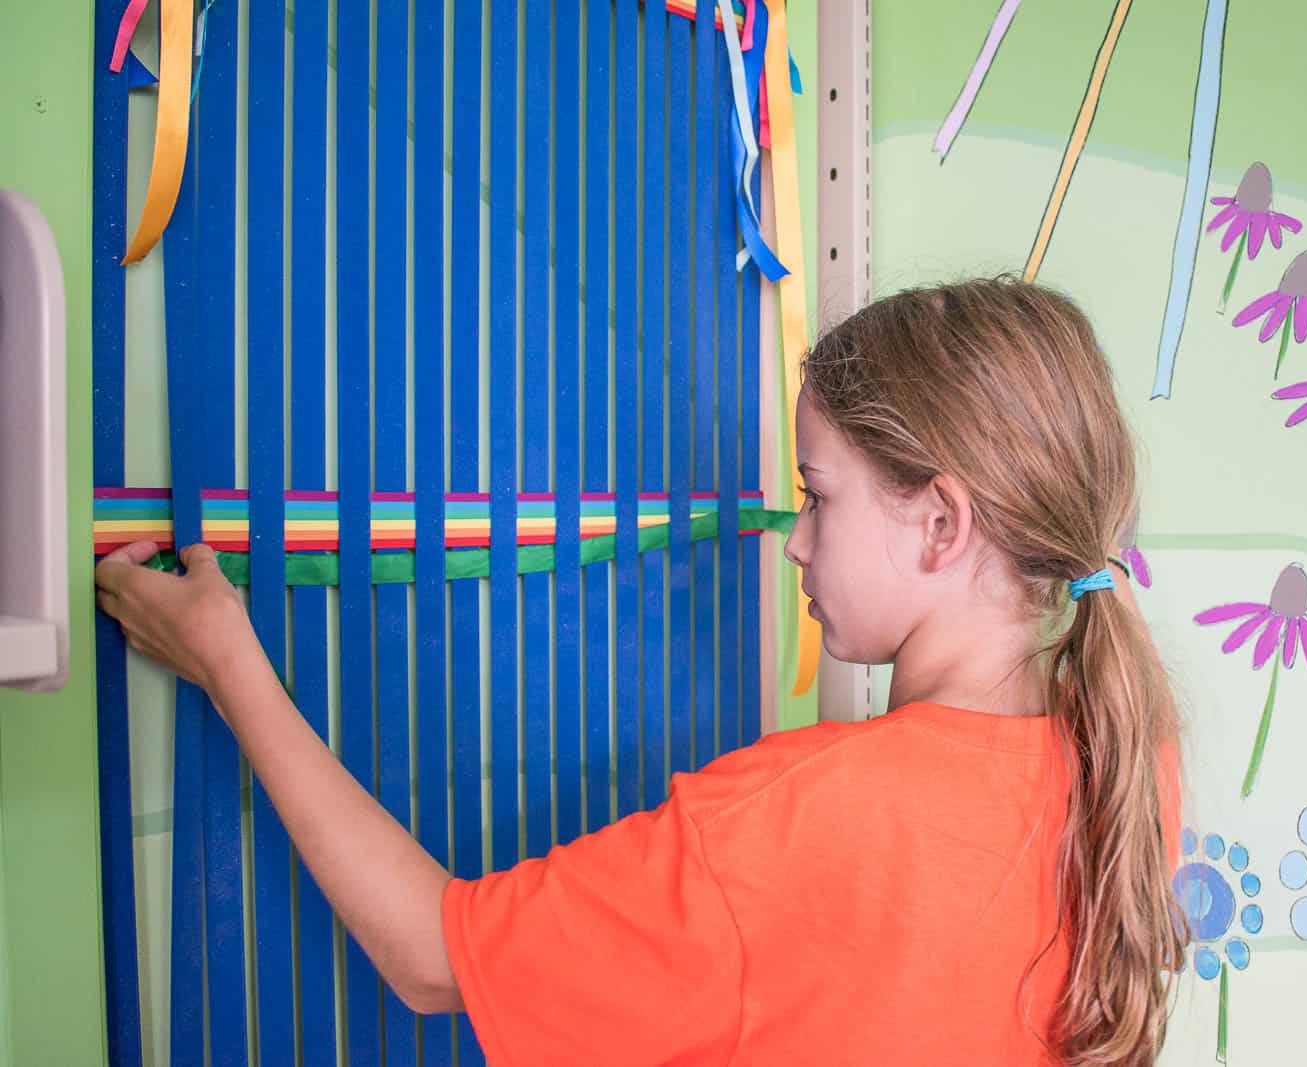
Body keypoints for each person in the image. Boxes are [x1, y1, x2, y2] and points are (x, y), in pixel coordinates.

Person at [96, 276, 1186, 1065]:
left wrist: (226, 658)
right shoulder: (1130, 762)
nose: (796, 540)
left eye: (817, 491)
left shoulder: (793, 816)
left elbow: (436, 954)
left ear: (941, 521)